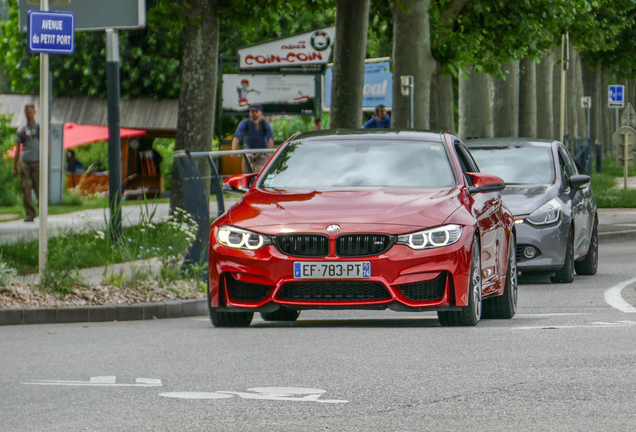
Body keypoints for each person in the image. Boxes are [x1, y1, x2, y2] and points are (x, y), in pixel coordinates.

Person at [12, 104, 40, 222]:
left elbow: (46, 144)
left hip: (37, 162)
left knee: (39, 188)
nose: (29, 115)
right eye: (27, 113)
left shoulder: (39, 128)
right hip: (24, 162)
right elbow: (17, 149)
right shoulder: (22, 130)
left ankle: (42, 212)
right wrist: (15, 167)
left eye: (31, 112)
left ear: (34, 112)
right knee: (26, 187)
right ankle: (30, 214)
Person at [232, 104, 274, 173]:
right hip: (249, 148)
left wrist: (269, 152)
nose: (254, 113)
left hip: (261, 150)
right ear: (249, 113)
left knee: (260, 171)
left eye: (256, 111)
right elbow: (236, 138)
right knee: (246, 158)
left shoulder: (265, 124)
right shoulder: (245, 123)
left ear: (260, 112)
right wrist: (234, 150)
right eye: (252, 111)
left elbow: (270, 139)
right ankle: (246, 176)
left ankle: (258, 180)